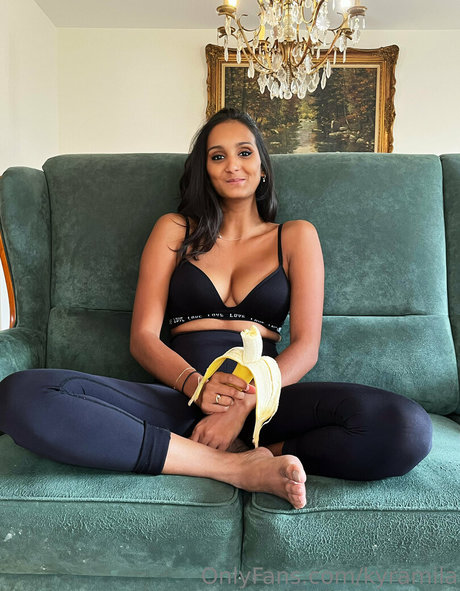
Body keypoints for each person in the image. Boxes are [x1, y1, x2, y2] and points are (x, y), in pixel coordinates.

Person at [0, 108, 432, 510]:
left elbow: (306, 347)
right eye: (217, 156)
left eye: (244, 153)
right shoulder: (174, 230)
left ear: (262, 167)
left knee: (406, 427)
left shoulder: (296, 236)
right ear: (204, 171)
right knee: (20, 393)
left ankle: (253, 450)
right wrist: (197, 388)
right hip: (179, 399)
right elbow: (143, 338)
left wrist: (241, 408)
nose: (232, 166)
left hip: (266, 406)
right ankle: (235, 467)